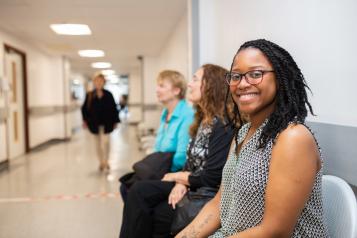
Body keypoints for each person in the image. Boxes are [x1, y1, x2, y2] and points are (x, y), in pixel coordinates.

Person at [176, 39, 329, 238]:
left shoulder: (292, 137)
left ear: (280, 78)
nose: (243, 84)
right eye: (236, 76)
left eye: (256, 74)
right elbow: (219, 204)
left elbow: (275, 231)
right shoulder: (242, 134)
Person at [119, 64, 235, 238]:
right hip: (191, 183)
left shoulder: (222, 125)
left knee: (154, 210)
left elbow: (212, 177)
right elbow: (190, 162)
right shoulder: (202, 120)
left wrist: (178, 178)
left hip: (204, 190)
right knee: (136, 190)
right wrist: (181, 183)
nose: (189, 84)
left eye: (195, 79)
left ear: (211, 85)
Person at [119, 70, 194, 201]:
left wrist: (162, 174)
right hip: (161, 165)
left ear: (176, 90)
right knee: (125, 184)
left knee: (134, 190)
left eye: (162, 86)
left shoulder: (187, 115)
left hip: (173, 171)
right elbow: (159, 146)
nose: (157, 90)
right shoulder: (166, 113)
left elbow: (182, 156)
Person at [81, 73, 120, 171]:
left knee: (106, 143)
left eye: (101, 81)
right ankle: (101, 162)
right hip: (94, 124)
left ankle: (106, 161)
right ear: (94, 82)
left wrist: (116, 121)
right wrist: (85, 120)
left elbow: (114, 108)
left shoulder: (108, 94)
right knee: (97, 145)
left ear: (104, 82)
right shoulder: (89, 95)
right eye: (97, 81)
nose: (99, 83)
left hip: (107, 123)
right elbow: (84, 109)